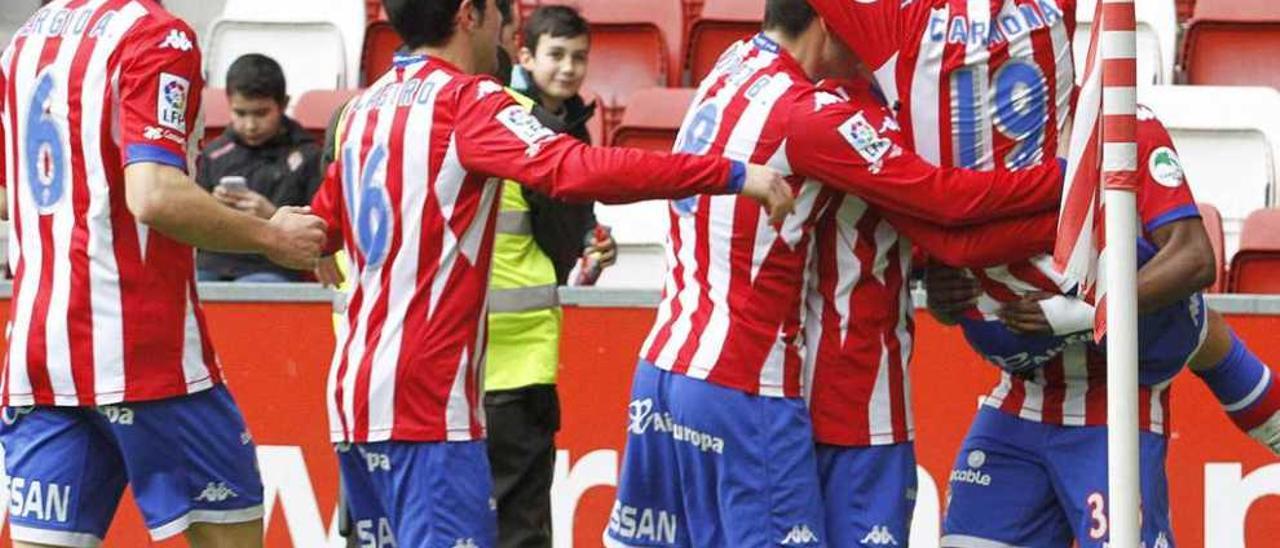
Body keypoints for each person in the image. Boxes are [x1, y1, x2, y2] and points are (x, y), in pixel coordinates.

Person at [308, 0, 796, 546]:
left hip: (353, 394)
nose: (504, 27)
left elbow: (316, 231)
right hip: (427, 407)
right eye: (502, 15)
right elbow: (577, 168)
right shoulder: (466, 101)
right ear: (469, 14)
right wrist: (727, 171)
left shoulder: (362, 110)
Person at [808, 0, 1280, 545]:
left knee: (1175, 314)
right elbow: (944, 290)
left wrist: (1075, 313)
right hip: (1025, 393)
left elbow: (1198, 259)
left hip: (1115, 391)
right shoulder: (949, 155)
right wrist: (941, 294)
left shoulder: (1120, 127)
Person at [606, 0, 1071, 545]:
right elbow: (948, 211)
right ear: (834, 20)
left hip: (665, 368)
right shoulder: (816, 116)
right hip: (759, 383)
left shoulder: (731, 66)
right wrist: (1073, 182)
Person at [0, 1, 327, 547]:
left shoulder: (26, 41)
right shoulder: (155, 36)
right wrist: (273, 236)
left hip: (41, 358)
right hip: (147, 356)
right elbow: (152, 194)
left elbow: (15, 193)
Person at [484, 5, 618, 547]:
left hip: (448, 364)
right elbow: (558, 239)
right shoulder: (535, 128)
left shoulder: (568, 128)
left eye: (578, 57)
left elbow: (572, 230)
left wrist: (592, 245)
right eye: (556, 55)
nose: (568, 68)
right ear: (523, 54)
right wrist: (577, 249)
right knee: (520, 525)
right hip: (514, 366)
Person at [197, 53, 324, 283]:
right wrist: (213, 209)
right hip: (213, 262)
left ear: (284, 104)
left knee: (258, 287)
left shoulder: (308, 156)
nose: (250, 125)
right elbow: (191, 224)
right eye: (240, 113)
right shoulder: (212, 154)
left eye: (261, 113)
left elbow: (319, 231)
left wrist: (271, 215)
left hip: (273, 265)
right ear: (229, 105)